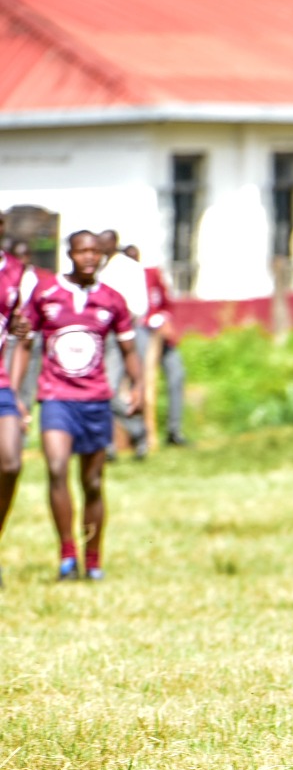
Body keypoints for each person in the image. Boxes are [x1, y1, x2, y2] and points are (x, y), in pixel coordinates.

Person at [14, 231, 141, 580]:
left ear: (102, 256)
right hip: (56, 397)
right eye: (81, 251)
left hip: (96, 400)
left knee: (94, 483)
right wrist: (14, 391)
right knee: (56, 468)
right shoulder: (46, 293)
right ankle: (67, 553)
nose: (88, 257)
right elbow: (24, 343)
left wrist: (139, 386)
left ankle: (94, 557)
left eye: (94, 252)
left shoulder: (112, 300)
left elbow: (130, 349)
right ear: (69, 254)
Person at [94, 230, 149, 459]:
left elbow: (139, 304)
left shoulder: (128, 267)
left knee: (125, 388)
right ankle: (110, 444)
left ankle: (138, 433)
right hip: (105, 335)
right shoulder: (99, 268)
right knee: (105, 389)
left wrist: (118, 316)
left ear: (113, 243)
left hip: (128, 333)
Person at [0, 234, 35, 585]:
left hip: (0, 384)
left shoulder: (14, 272)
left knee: (10, 463)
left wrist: (17, 327)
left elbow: (19, 328)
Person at [133, 247, 187, 446]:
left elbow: (165, 303)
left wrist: (163, 321)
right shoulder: (126, 277)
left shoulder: (153, 275)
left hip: (161, 335)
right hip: (141, 333)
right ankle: (142, 435)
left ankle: (174, 430)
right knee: (142, 382)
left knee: (176, 373)